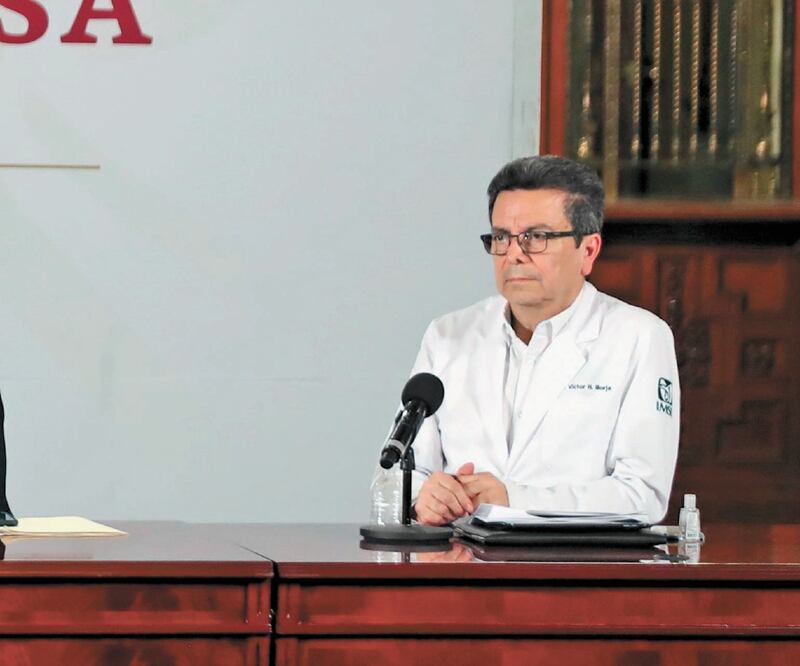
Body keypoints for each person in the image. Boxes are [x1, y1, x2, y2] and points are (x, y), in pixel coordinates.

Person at [384, 155, 679, 526]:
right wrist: (423, 498)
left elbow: (643, 495)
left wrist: (514, 498)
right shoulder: (448, 335)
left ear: (588, 250)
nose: (514, 255)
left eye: (536, 238)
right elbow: (400, 470)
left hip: (577, 570)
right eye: (502, 237)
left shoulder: (638, 337)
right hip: (462, 565)